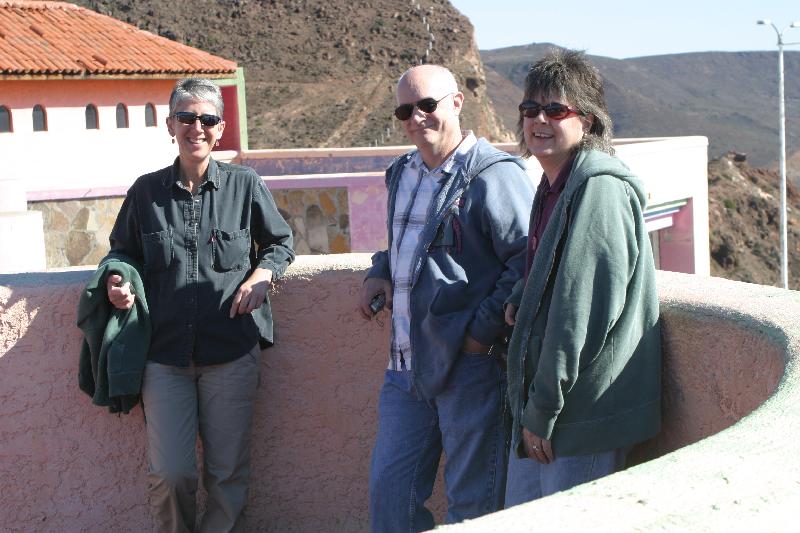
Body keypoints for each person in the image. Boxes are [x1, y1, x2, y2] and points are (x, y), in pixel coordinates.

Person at [105, 78, 294, 532]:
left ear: (220, 127)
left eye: (207, 119)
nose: (197, 127)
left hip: (231, 350)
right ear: (170, 125)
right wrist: (118, 280)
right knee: (172, 474)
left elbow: (281, 243)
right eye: (186, 118)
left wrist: (263, 275)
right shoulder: (146, 192)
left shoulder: (244, 185)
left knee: (227, 474)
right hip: (164, 356)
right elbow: (120, 253)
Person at [358, 64, 534, 531]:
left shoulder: (493, 175)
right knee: (390, 499)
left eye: (427, 105)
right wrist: (380, 271)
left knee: (472, 507)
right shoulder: (402, 172)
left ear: (457, 103)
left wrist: (479, 335)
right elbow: (402, 245)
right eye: (404, 110)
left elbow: (526, 260)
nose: (417, 117)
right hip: (404, 368)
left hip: (468, 368)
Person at [503, 49, 661, 506]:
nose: (539, 120)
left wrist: (543, 411)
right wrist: (520, 294)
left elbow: (581, 314)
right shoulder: (555, 186)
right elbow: (550, 270)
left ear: (588, 122)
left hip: (580, 413)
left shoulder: (599, 191)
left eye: (556, 109)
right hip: (550, 407)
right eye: (530, 109)